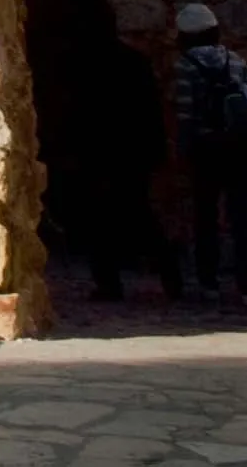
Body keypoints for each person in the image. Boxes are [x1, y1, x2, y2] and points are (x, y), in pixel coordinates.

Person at [55, 28, 178, 301]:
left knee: (101, 220)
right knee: (139, 213)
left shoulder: (86, 68)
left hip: (103, 154)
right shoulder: (135, 62)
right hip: (132, 153)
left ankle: (109, 284)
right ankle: (171, 275)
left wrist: (73, 150)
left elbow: (79, 112)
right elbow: (152, 111)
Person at [173, 2, 247, 301]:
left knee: (206, 215)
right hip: (242, 148)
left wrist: (183, 151)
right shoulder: (233, 59)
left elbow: (185, 113)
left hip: (207, 149)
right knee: (243, 216)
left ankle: (208, 282)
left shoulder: (185, 66)